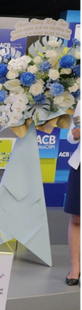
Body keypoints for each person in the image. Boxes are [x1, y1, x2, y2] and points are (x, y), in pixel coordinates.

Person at [64, 104, 82, 286]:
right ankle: (75, 267)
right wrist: (75, 135)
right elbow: (71, 136)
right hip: (80, 166)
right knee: (77, 218)